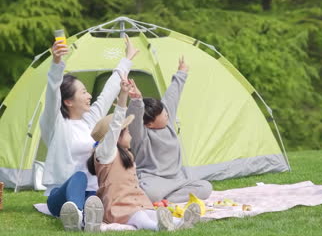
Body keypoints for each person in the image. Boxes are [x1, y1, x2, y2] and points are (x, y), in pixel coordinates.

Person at [40, 34, 138, 231]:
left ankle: (83, 220)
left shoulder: (90, 121)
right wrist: (57, 62)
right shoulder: (56, 125)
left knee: (102, 204)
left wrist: (127, 59)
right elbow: (52, 93)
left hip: (91, 193)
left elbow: (109, 90)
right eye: (83, 92)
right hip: (61, 196)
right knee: (79, 177)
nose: (89, 95)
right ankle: (76, 212)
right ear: (68, 101)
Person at [87, 77, 200, 231]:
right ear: (115, 137)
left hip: (138, 203)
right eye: (126, 131)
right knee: (141, 218)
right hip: (119, 207)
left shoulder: (127, 154)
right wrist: (123, 96)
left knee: (151, 214)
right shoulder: (106, 154)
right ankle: (158, 228)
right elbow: (115, 126)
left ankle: (179, 222)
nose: (131, 135)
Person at [126, 56, 213, 203]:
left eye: (164, 110)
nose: (165, 113)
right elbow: (134, 119)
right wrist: (136, 100)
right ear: (149, 124)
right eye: (160, 113)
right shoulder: (141, 135)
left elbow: (173, 94)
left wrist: (182, 72)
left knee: (205, 187)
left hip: (177, 180)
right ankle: (160, 198)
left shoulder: (168, 119)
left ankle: (167, 200)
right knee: (149, 193)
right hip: (153, 181)